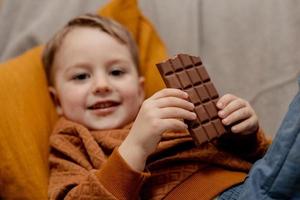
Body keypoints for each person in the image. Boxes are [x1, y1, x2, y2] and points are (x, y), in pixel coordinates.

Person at [43, 14, 269, 200]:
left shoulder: (170, 110)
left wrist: (243, 131)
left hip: (254, 181)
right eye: (81, 76)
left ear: (140, 90)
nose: (102, 85)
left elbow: (252, 155)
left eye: (116, 72)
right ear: (57, 101)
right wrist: (137, 146)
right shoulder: (70, 140)